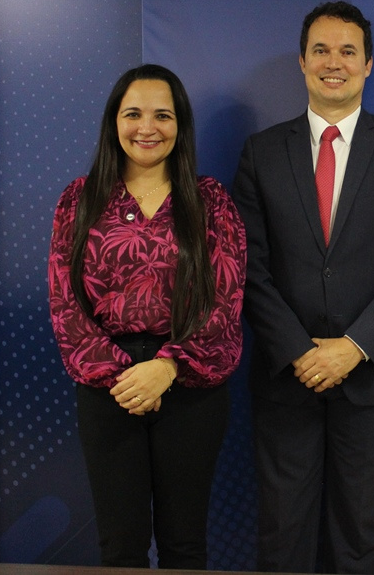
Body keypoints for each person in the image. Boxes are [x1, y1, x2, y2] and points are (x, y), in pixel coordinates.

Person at [232, 1, 374, 573]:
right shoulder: (262, 152)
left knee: (356, 534)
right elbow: (247, 265)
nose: (334, 63)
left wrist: (353, 347)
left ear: (368, 64)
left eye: (348, 51)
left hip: (371, 377)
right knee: (282, 533)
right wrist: (300, 351)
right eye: (320, 50)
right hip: (287, 376)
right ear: (301, 61)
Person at [48, 64, 246, 569]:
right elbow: (65, 304)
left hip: (190, 385)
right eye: (133, 114)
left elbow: (225, 301)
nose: (147, 128)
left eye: (163, 115)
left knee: (184, 544)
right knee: (121, 546)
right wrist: (124, 378)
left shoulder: (211, 202)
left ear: (180, 125)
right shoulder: (79, 199)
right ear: (114, 122)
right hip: (107, 389)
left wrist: (167, 366)